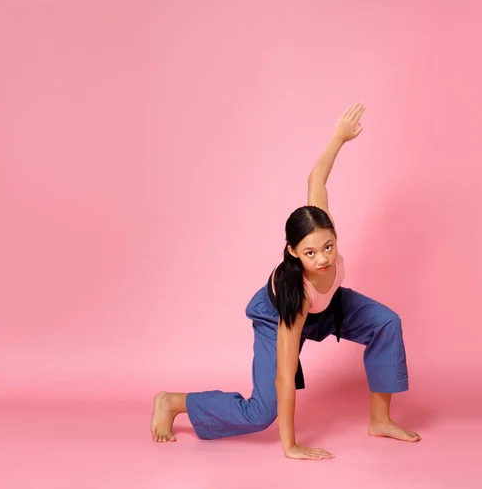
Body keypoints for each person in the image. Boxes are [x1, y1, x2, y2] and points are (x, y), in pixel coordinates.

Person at [150, 102, 421, 460]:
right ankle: (173, 402)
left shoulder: (318, 228)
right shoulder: (295, 296)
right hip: (283, 312)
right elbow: (285, 375)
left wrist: (338, 138)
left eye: (328, 246)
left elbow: (316, 180)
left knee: (385, 321)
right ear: (293, 252)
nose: (323, 258)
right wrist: (291, 445)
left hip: (329, 303)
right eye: (311, 253)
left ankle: (380, 420)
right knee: (261, 412)